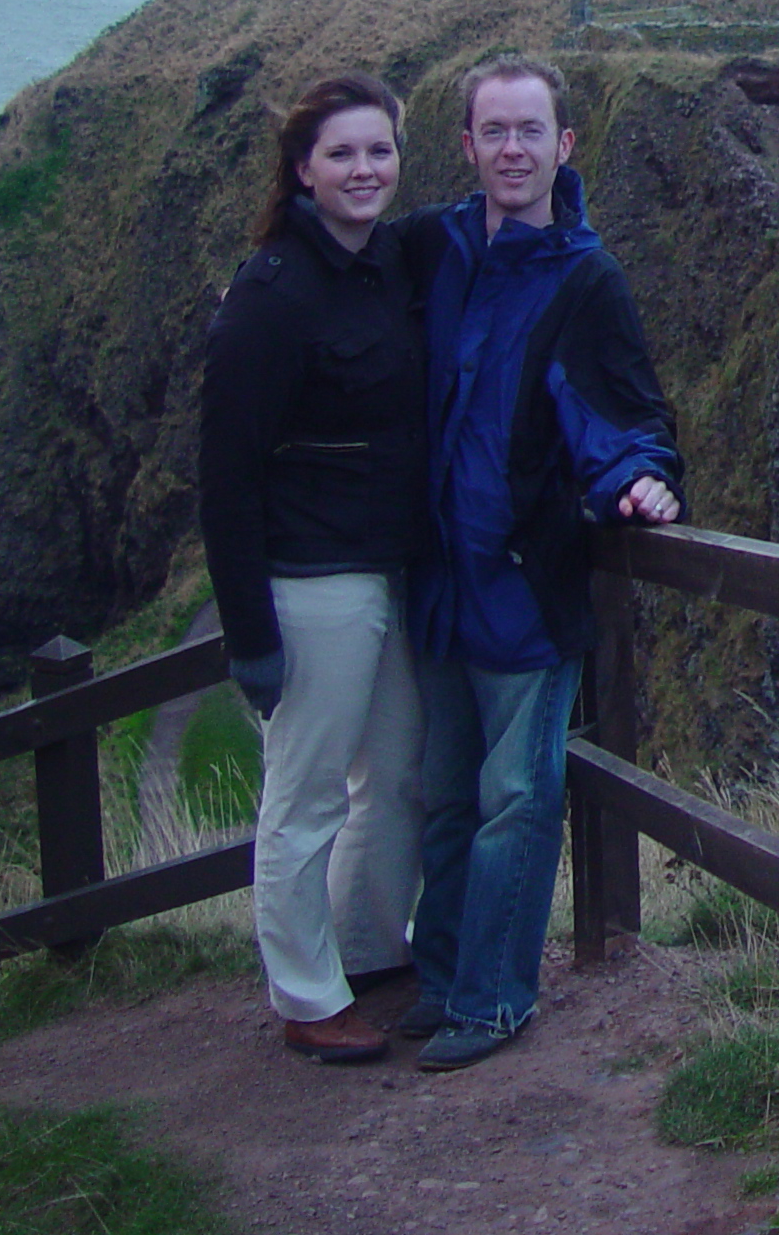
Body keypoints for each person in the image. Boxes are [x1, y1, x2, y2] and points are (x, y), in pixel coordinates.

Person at [396, 53, 683, 1073]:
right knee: (445, 801)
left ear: (565, 147)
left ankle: (495, 999)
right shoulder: (434, 248)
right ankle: (437, 985)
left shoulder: (583, 277)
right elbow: (334, 296)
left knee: (516, 800)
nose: (512, 149)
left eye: (531, 131)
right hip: (439, 583)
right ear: (466, 145)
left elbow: (623, 412)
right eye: (494, 131)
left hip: (523, 582)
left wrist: (641, 481)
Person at [199, 73, 427, 1066]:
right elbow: (224, 474)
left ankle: (371, 950)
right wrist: (249, 634)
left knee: (403, 772)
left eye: (378, 151)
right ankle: (304, 995)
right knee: (306, 798)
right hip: (310, 582)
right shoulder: (271, 293)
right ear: (302, 169)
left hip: (389, 569)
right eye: (341, 153)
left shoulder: (387, 263)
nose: (363, 169)